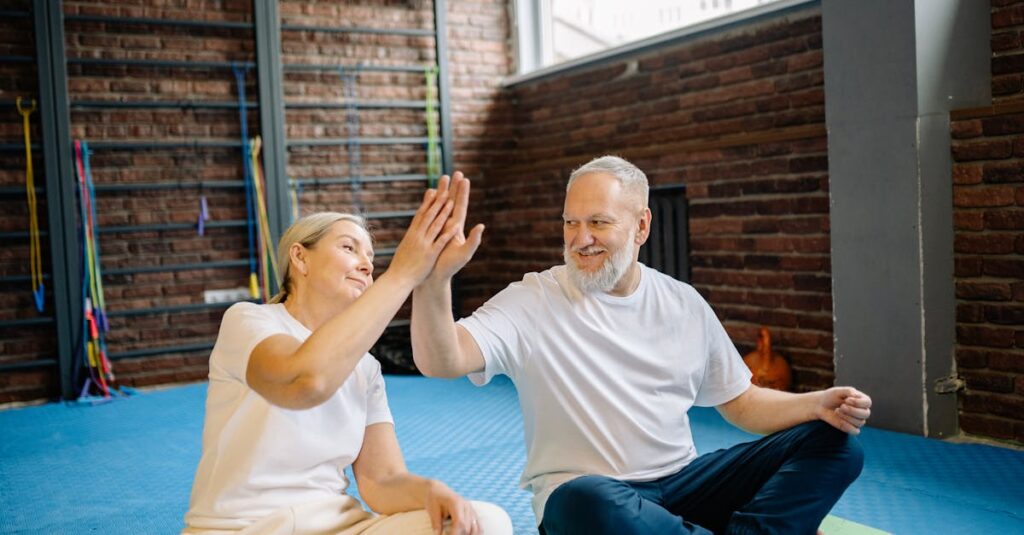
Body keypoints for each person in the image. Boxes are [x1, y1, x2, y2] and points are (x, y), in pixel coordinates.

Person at [411, 157, 871, 534]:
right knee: (584, 499)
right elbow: (442, 359)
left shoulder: (682, 302)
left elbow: (742, 403)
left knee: (836, 444)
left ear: (641, 226)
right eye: (570, 223)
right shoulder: (532, 299)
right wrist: (434, 282)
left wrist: (816, 404)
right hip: (596, 502)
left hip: (686, 486)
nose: (581, 239)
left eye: (598, 222)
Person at [183, 176, 512, 535]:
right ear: (300, 257)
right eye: (349, 248)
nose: (367, 265)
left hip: (339, 527)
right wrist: (402, 274)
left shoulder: (366, 368)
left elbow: (381, 480)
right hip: (243, 528)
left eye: (371, 258)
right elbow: (305, 381)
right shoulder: (248, 322)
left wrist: (431, 491)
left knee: (485, 523)